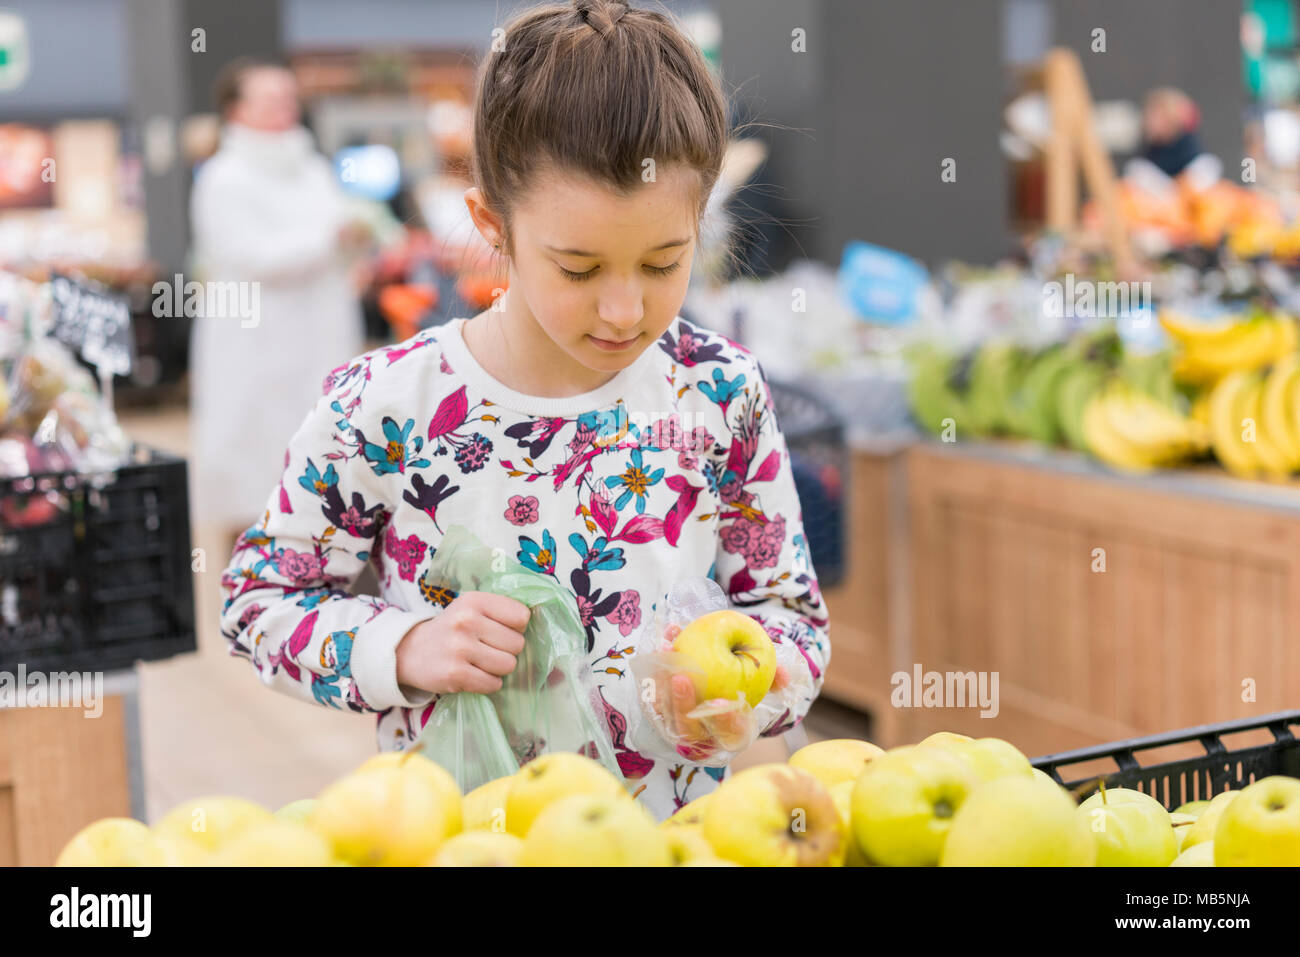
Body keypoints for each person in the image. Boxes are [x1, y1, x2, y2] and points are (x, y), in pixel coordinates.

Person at [217, 0, 830, 820]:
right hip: (464, 837)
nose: (622, 309)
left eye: (662, 261)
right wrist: (403, 645)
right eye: (577, 268)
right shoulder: (387, 404)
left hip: (675, 839)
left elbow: (790, 619)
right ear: (491, 225)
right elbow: (257, 600)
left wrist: (742, 696)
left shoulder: (718, 392)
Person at [189, 59, 367, 548]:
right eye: (269, 101)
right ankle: (252, 598)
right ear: (235, 110)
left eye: (289, 99)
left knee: (327, 466)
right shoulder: (223, 178)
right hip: (254, 347)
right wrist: (329, 238)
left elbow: (338, 235)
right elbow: (252, 257)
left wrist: (357, 237)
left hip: (320, 336)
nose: (284, 111)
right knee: (254, 478)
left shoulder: (312, 167)